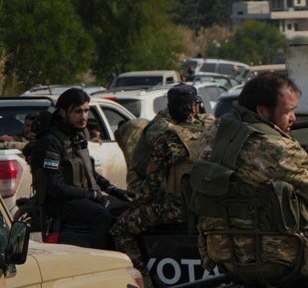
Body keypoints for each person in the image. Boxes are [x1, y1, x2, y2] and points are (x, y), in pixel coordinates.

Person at [193, 73, 308, 288]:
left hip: (225, 254)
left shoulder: (210, 136)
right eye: (287, 111)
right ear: (262, 111)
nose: (294, 117)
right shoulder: (277, 149)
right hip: (282, 259)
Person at [110, 84, 215, 273]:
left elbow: (153, 185)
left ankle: (144, 279)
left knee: (120, 228)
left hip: (177, 210)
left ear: (170, 107)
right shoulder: (214, 130)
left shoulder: (166, 139)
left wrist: (133, 198)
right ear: (194, 106)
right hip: (211, 207)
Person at [29, 88, 132, 248]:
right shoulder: (50, 142)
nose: (84, 117)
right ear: (62, 113)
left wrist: (114, 190)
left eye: (86, 111)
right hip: (59, 203)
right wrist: (91, 194)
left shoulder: (77, 135)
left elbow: (88, 171)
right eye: (78, 112)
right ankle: (100, 260)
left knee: (127, 208)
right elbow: (55, 187)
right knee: (102, 217)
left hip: (81, 197)